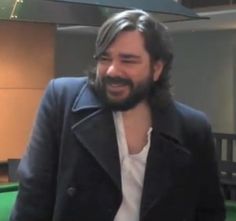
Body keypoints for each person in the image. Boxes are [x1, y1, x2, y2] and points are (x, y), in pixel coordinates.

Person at [10, 9, 225, 221]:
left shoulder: (193, 128)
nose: (112, 71)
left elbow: (209, 212)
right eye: (105, 58)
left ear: (157, 68)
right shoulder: (62, 100)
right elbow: (32, 198)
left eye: (128, 60)